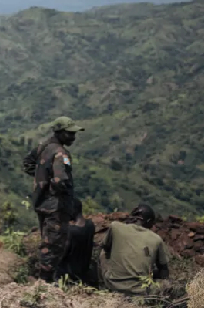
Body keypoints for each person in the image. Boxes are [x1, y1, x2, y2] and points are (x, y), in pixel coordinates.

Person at [21, 116, 84, 283]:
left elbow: (28, 164)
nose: (73, 137)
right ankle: (44, 281)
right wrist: (56, 189)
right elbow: (61, 180)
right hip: (56, 206)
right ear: (60, 132)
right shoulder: (61, 153)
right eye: (70, 134)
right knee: (54, 244)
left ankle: (41, 277)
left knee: (47, 239)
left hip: (42, 202)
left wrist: (42, 180)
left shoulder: (43, 146)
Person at [99, 204, 169, 295]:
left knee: (103, 252)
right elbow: (164, 271)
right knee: (165, 283)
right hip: (141, 291)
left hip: (113, 285)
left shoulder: (115, 227)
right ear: (148, 221)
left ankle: (102, 286)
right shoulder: (156, 239)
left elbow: (105, 248)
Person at [56, 198, 95, 284]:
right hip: (83, 271)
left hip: (70, 274)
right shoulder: (90, 225)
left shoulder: (72, 231)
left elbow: (64, 254)